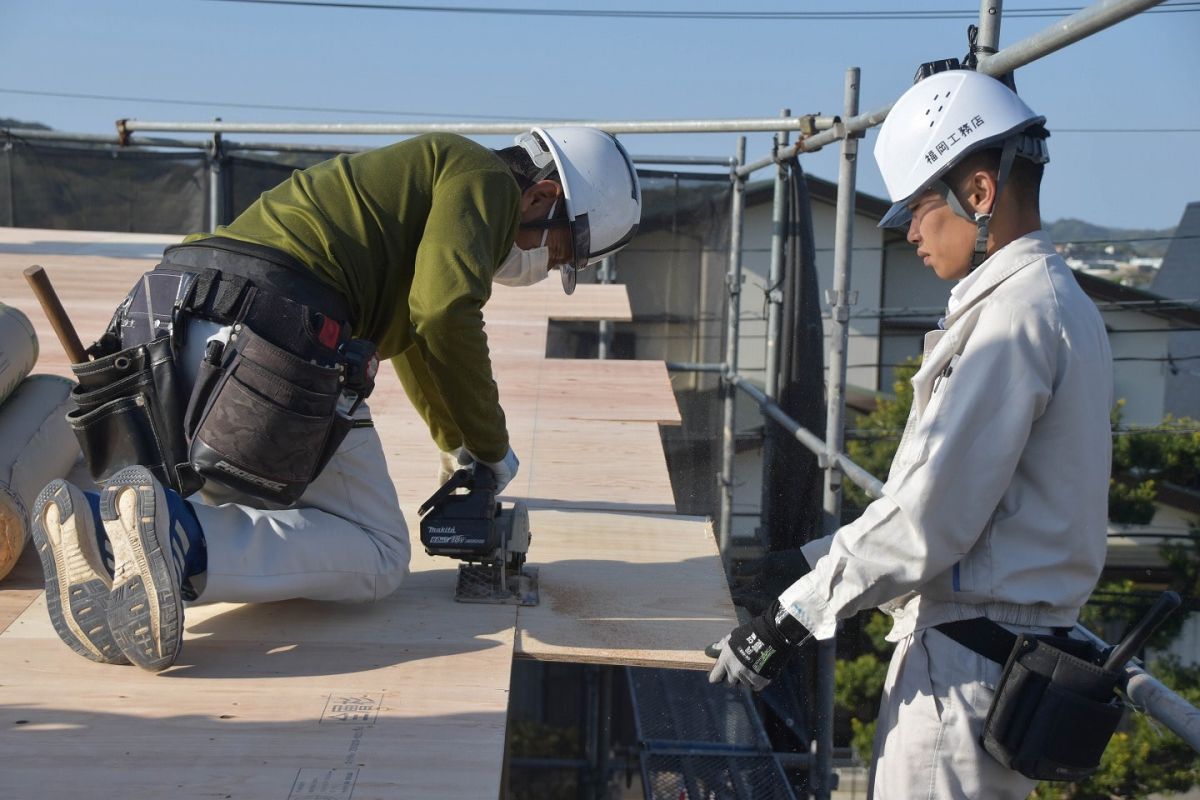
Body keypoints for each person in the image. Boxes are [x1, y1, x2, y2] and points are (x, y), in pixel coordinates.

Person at [30, 127, 642, 672]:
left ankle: (103, 538)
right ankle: (178, 538)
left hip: (166, 325)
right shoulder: (482, 178)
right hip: (267, 341)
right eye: (557, 249)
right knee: (377, 550)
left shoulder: (425, 185)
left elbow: (417, 337)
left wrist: (456, 446)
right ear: (541, 197)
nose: (543, 263)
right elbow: (445, 311)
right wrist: (492, 447)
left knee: (231, 490)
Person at [708, 69, 1113, 799]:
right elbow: (935, 500)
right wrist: (803, 563)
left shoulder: (1013, 321)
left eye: (920, 211)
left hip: (964, 678)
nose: (910, 235)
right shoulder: (1050, 303)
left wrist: (791, 618)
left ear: (980, 194)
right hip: (990, 658)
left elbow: (931, 520)